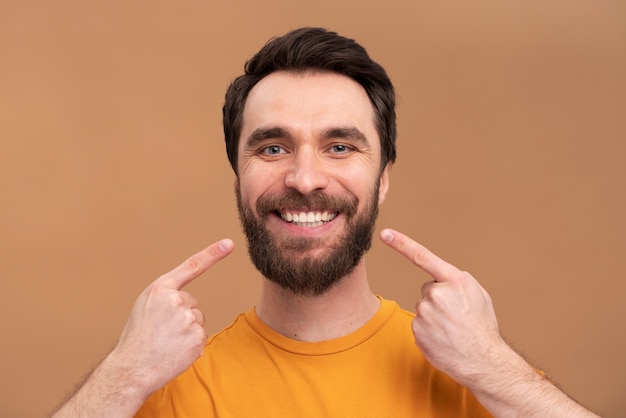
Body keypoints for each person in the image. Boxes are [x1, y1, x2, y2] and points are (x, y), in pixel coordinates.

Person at [51, 27, 598, 417]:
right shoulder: (166, 387)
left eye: (339, 146)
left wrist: (492, 366)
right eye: (271, 148)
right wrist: (123, 377)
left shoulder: (475, 376)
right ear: (236, 179)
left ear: (382, 178)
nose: (305, 178)